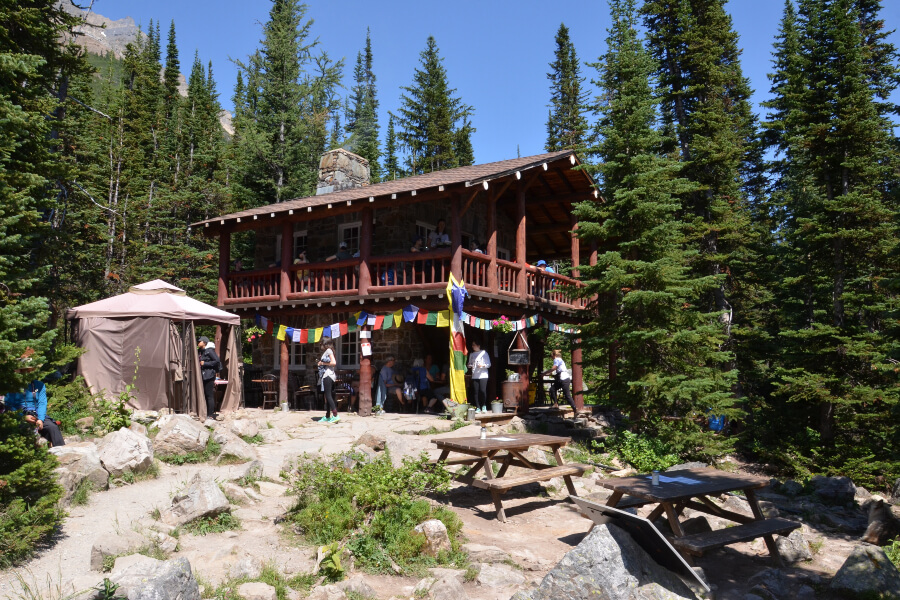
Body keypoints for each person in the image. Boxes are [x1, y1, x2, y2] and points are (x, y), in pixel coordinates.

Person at [4, 360, 65, 447]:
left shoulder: (39, 385)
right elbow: (10, 406)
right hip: (19, 416)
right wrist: (23, 417)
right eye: (26, 370)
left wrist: (40, 419)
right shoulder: (12, 386)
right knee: (25, 429)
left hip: (37, 415)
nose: (29, 373)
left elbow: (42, 403)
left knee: (52, 427)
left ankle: (61, 451)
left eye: (30, 370)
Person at [198, 336, 221, 418]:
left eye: (199, 341)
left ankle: (210, 414)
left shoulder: (209, 351)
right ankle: (205, 412)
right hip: (202, 375)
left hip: (209, 375)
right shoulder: (200, 351)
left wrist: (205, 363)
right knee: (204, 394)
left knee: (209, 395)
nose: (198, 343)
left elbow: (217, 361)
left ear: (204, 342)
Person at [317, 341, 339, 423]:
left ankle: (335, 415)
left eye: (321, 344)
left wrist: (322, 363)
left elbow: (333, 363)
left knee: (328, 395)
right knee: (327, 396)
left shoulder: (329, 351)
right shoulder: (328, 351)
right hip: (328, 375)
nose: (320, 346)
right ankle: (327, 416)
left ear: (325, 344)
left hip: (328, 375)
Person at [467, 341, 491, 413]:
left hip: (483, 374)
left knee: (482, 390)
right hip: (475, 375)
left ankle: (484, 405)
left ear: (478, 346)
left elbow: (489, 364)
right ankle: (478, 407)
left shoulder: (484, 353)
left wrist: (482, 365)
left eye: (474, 345)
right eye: (472, 345)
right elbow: (469, 363)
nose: (473, 346)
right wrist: (470, 365)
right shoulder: (471, 354)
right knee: (476, 391)